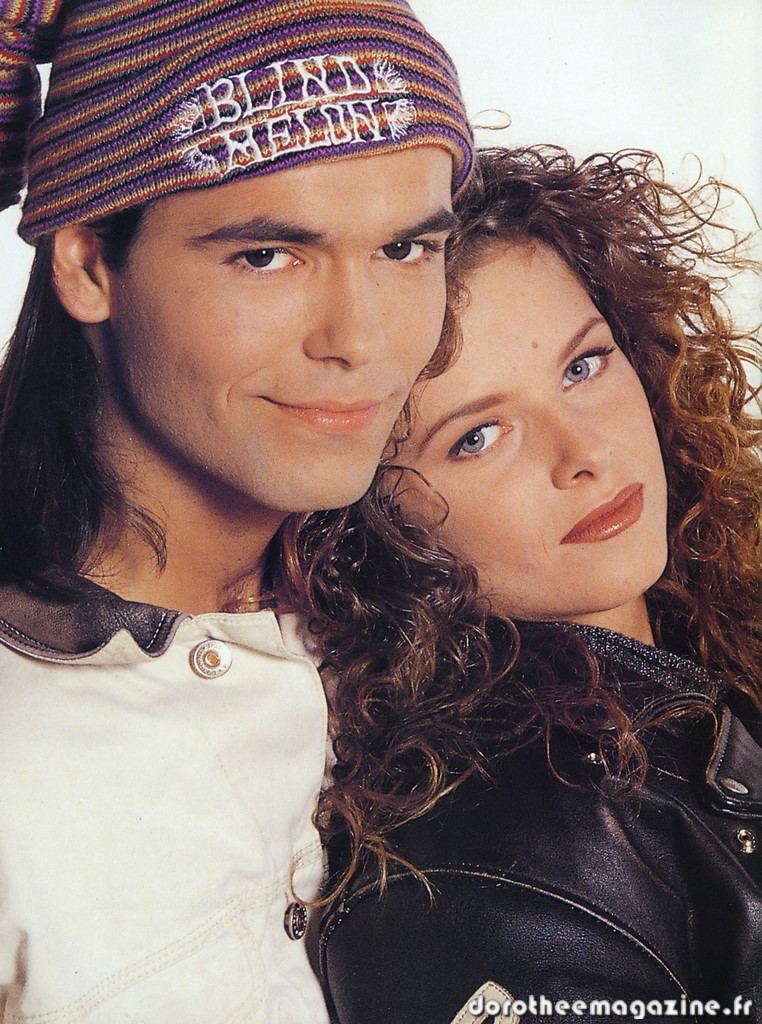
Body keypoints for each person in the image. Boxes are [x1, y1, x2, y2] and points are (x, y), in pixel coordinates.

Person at [0, 0, 475, 1018]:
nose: (360, 340)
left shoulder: (440, 612)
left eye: (405, 250)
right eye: (267, 255)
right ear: (88, 264)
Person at [320, 147, 762, 1022]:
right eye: (478, 436)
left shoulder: (705, 658)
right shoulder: (483, 876)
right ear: (373, 522)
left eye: (582, 366)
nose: (585, 454)